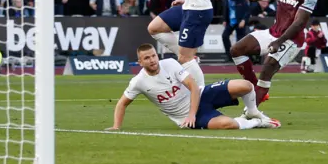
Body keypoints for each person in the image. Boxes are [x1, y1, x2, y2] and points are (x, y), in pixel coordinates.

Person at [213, 0, 317, 106]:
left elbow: (299, 23)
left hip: (292, 39)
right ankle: (256, 89)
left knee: (267, 67)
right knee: (236, 49)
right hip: (273, 32)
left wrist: (278, 42)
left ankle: (251, 112)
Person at [106, 44, 280, 130]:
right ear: (140, 62)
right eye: (147, 58)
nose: (152, 60)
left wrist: (191, 112)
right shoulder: (138, 82)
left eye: (153, 56)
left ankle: (252, 111)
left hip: (201, 96)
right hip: (187, 117)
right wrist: (116, 126)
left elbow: (194, 87)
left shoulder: (170, 63)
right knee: (228, 124)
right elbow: (122, 103)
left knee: (246, 85)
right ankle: (256, 122)